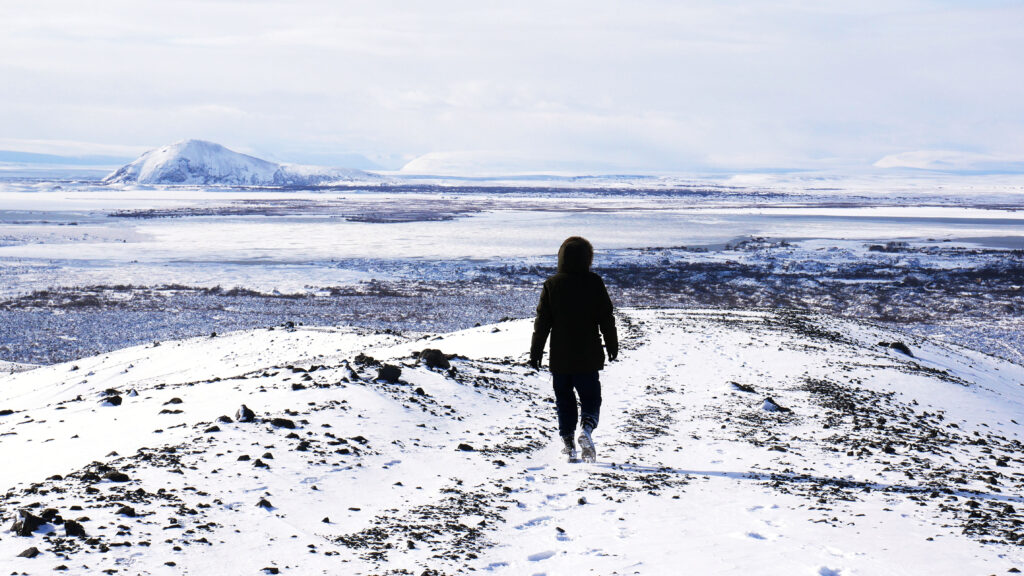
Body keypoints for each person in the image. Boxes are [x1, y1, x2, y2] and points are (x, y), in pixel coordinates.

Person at [529, 236, 618, 462]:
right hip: (588, 356)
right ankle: (586, 428)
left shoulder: (552, 284)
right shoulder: (594, 282)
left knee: (564, 400)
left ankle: (568, 443)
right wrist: (612, 343)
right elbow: (606, 318)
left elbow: (542, 323)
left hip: (560, 357)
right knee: (590, 397)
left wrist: (536, 352)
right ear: (588, 258)